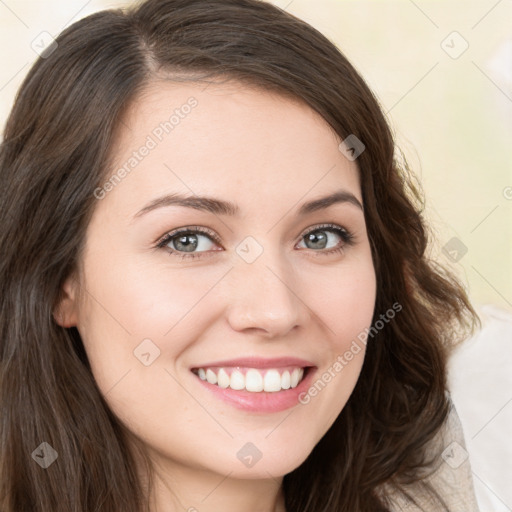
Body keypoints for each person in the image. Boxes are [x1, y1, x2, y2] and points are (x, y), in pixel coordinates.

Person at [0, 0, 481, 510]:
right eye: (188, 240)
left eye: (320, 237)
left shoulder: (482, 462)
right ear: (60, 279)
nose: (274, 311)